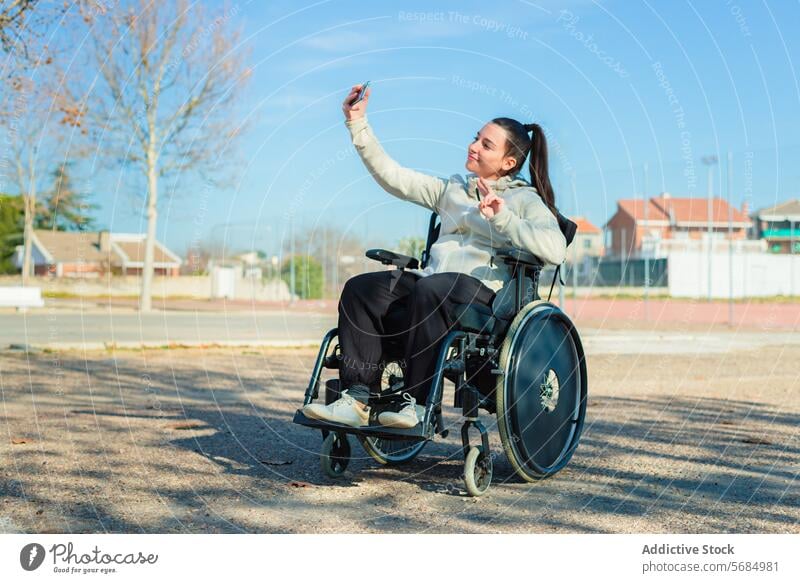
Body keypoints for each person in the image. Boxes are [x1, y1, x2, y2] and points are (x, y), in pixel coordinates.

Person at [302, 83, 567, 428]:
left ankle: (418, 404)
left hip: (482, 296)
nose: (473, 146)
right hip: (433, 286)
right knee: (361, 289)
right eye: (476, 138)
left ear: (508, 162)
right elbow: (393, 176)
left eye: (485, 144)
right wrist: (358, 124)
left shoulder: (524, 200)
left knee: (433, 290)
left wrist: (503, 218)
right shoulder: (452, 190)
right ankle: (357, 398)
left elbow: (555, 249)